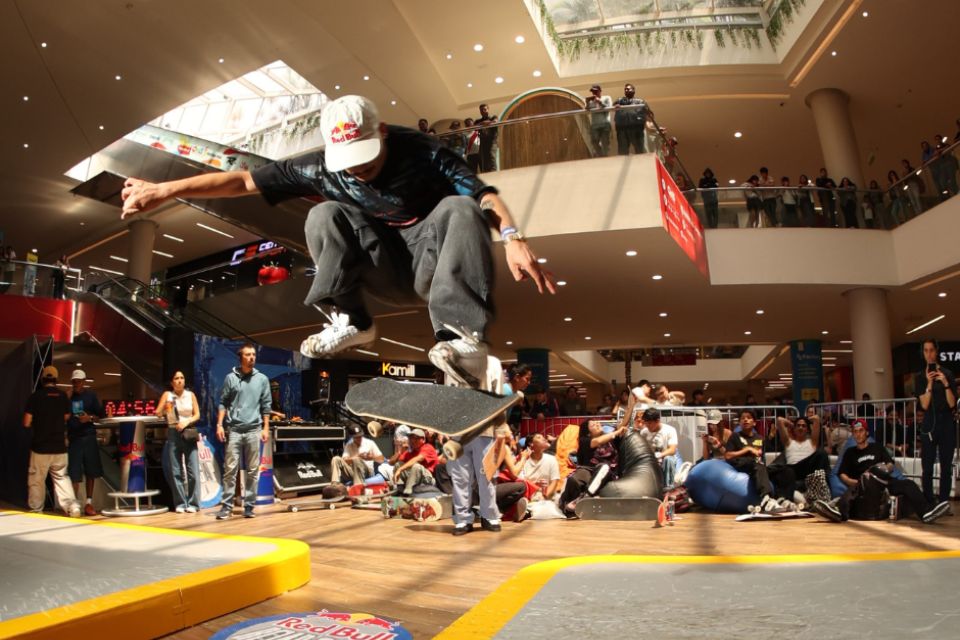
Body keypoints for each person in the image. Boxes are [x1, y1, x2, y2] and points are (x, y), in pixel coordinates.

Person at [120, 95, 553, 388]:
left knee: (460, 208)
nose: (358, 171)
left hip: (431, 262)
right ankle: (353, 321)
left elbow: (483, 194)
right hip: (380, 267)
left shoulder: (421, 149)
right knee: (323, 213)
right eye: (349, 164)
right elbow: (241, 180)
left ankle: (463, 339)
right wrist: (167, 190)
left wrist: (513, 236)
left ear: (381, 130)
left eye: (366, 160)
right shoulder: (320, 167)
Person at [813, 419, 949, 524]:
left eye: (861, 430)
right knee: (852, 492)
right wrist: (856, 482)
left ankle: (926, 513)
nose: (858, 434)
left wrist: (884, 469)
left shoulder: (877, 447)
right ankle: (837, 513)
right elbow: (842, 474)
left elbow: (890, 464)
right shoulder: (850, 452)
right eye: (855, 431)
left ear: (866, 433)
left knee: (909, 484)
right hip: (864, 484)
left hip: (884, 480)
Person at [215, 343, 271, 519]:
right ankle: (226, 507)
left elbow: (266, 405)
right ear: (241, 357)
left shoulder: (262, 379)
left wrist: (266, 428)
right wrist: (219, 424)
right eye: (248, 355)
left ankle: (249, 506)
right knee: (230, 469)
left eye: (254, 354)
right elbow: (223, 402)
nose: (252, 357)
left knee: (253, 470)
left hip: (254, 429)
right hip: (235, 430)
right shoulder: (230, 378)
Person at [23, 366, 81, 517]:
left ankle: (36, 509)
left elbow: (26, 422)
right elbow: (67, 417)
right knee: (62, 478)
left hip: (40, 447)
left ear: (43, 380)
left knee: (37, 479)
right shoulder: (63, 396)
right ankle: (72, 507)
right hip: (59, 447)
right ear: (56, 380)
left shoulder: (35, 397)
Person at [724, 409, 797, 510]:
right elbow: (727, 455)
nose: (745, 420)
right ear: (739, 422)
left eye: (748, 418)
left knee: (786, 470)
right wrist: (747, 449)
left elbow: (762, 456)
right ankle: (766, 498)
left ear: (754, 423)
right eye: (742, 418)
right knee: (757, 462)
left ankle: (784, 499)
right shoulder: (735, 436)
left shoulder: (759, 438)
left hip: (758, 466)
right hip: (742, 464)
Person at [916, 339, 957, 504]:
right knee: (928, 465)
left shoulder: (948, 373)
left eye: (931, 350)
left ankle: (944, 501)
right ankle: (928, 500)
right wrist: (930, 382)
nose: (929, 354)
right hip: (929, 421)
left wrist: (946, 383)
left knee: (946, 466)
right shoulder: (920, 377)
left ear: (937, 351)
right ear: (923, 353)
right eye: (926, 351)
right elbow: (924, 404)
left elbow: (952, 403)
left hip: (946, 421)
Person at [155, 370, 201, 513]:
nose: (180, 380)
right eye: (177, 378)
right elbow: (157, 413)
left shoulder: (190, 395)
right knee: (176, 470)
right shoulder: (167, 395)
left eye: (182, 377)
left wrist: (186, 421)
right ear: (172, 382)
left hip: (188, 431)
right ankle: (181, 503)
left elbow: (197, 414)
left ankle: (194, 503)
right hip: (173, 432)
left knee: (192, 469)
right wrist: (165, 410)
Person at [558, 420, 626, 515]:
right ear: (588, 433)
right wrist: (616, 432)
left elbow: (623, 425)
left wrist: (631, 406)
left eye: (598, 422)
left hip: (606, 472)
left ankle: (584, 498)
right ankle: (564, 505)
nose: (598, 424)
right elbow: (598, 441)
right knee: (573, 479)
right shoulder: (585, 440)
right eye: (593, 425)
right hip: (588, 469)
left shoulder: (610, 438)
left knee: (604, 467)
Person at [66, 369, 103, 516]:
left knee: (91, 471)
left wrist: (90, 418)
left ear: (84, 381)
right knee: (74, 472)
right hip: (74, 438)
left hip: (88, 436)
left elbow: (101, 415)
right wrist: (65, 399)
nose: (76, 384)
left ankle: (88, 503)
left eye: (79, 381)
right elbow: (62, 415)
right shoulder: (68, 397)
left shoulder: (91, 396)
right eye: (74, 382)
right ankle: (74, 504)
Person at [637, 408, 681, 486]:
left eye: (649, 423)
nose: (647, 425)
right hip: (650, 460)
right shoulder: (644, 432)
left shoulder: (670, 430)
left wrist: (659, 455)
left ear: (657, 421)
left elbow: (672, 450)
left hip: (665, 459)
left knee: (669, 459)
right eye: (646, 423)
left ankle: (668, 488)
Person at [392, 428, 439, 495]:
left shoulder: (428, 447)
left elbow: (417, 459)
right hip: (414, 479)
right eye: (411, 438)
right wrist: (400, 450)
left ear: (423, 440)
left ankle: (408, 493)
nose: (413, 440)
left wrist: (400, 469)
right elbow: (392, 462)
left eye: (416, 438)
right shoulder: (410, 452)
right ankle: (399, 489)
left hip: (428, 480)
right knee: (398, 464)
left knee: (416, 466)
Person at [519, 433, 561, 501]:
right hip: (528, 496)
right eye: (539, 437)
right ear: (531, 443)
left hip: (547, 497)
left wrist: (545, 496)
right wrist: (535, 485)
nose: (544, 439)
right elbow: (522, 482)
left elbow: (554, 481)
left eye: (543, 437)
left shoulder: (551, 459)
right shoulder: (523, 461)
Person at [614, 83, 649, 155]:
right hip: (622, 129)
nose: (626, 90)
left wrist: (643, 120)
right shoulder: (620, 100)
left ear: (633, 90)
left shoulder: (640, 101)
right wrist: (616, 105)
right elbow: (613, 106)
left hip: (636, 128)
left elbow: (649, 114)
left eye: (628, 89)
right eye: (625, 89)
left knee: (639, 150)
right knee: (622, 151)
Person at [585, 84, 613, 157]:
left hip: (605, 124)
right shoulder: (591, 101)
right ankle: (601, 156)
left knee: (605, 142)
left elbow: (609, 108)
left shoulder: (607, 98)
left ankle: (605, 157)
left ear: (600, 91)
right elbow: (587, 109)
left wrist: (599, 101)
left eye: (595, 91)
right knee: (594, 142)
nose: (594, 93)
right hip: (594, 125)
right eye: (592, 91)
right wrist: (587, 102)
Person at [476, 103, 499, 172]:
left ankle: (494, 175)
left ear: (488, 109)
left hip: (492, 142)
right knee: (484, 160)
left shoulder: (493, 117)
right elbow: (473, 126)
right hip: (483, 143)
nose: (483, 111)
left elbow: (495, 122)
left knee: (492, 157)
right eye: (481, 110)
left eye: (485, 109)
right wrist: (484, 123)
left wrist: (483, 123)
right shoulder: (478, 121)